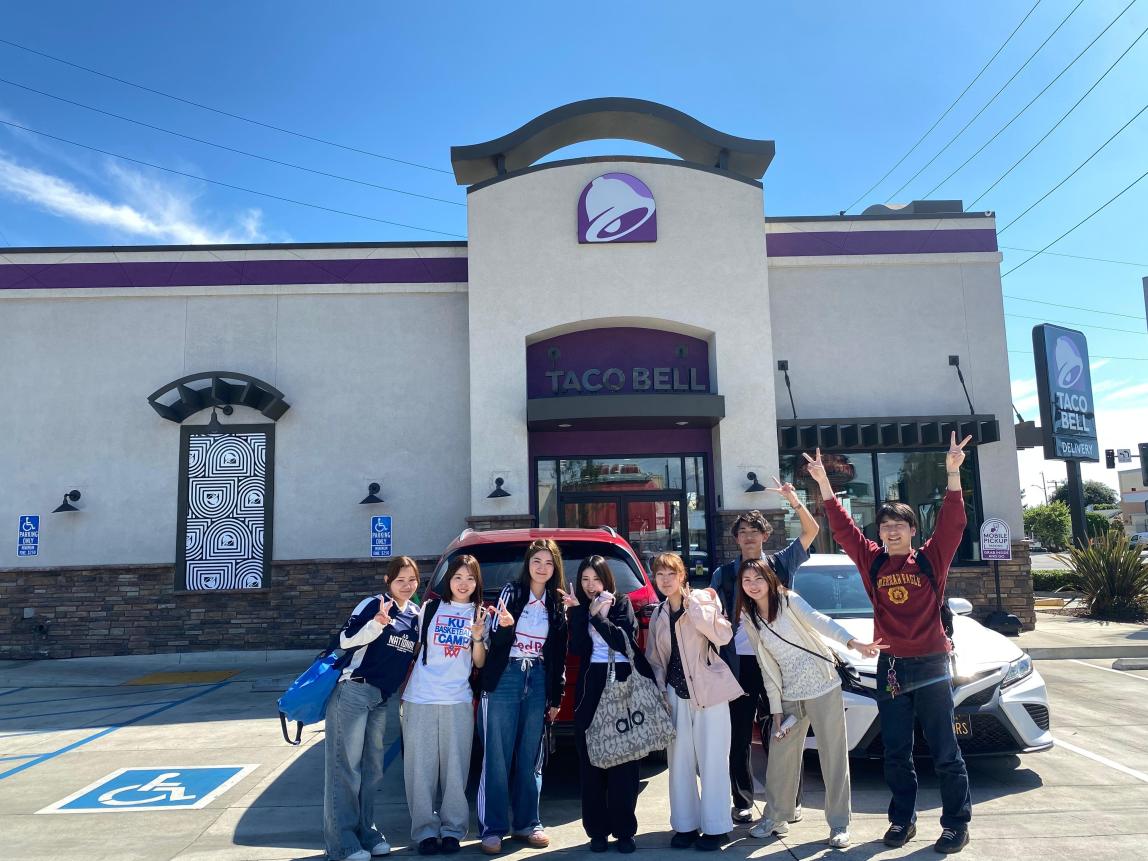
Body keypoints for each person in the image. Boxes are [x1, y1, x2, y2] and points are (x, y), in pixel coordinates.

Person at [804, 434, 973, 854]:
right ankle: (902, 820)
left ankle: (955, 824)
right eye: (885, 525)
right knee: (897, 752)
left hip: (932, 664)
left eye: (899, 525)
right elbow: (841, 527)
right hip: (892, 667)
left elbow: (953, 523)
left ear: (913, 531)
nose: (891, 530)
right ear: (878, 532)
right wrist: (824, 483)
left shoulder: (931, 559)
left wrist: (953, 472)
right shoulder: (872, 559)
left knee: (945, 751)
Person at [738, 555, 886, 849]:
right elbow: (767, 667)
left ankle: (839, 823)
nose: (753, 585)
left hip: (822, 686)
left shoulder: (788, 601)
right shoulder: (749, 617)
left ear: (769, 579)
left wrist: (853, 643)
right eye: (747, 580)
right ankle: (777, 816)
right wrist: (776, 709)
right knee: (781, 756)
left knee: (833, 754)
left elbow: (821, 622)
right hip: (790, 695)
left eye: (758, 578)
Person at [709, 487, 818, 824]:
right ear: (736, 539)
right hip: (738, 664)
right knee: (739, 735)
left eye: (754, 531)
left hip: (779, 663)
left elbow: (812, 531)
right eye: (742, 533)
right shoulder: (725, 574)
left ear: (765, 535)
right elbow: (710, 613)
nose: (748, 537)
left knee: (783, 732)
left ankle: (789, 801)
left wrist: (794, 499)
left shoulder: (780, 564)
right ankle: (742, 800)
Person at [324, 556, 421, 861]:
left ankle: (368, 830)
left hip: (381, 698)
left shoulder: (416, 615)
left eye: (412, 580)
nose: (406, 586)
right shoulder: (373, 604)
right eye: (400, 580)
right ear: (388, 581)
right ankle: (343, 842)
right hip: (353, 691)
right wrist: (376, 625)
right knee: (346, 770)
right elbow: (343, 640)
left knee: (372, 770)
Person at [476, 539, 569, 855]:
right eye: (536, 561)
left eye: (548, 563)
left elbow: (559, 652)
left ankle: (528, 823)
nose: (542, 568)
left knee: (531, 755)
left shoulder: (557, 602)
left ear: (555, 567)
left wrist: (556, 696)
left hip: (538, 677)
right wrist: (505, 628)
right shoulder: (512, 593)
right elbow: (494, 641)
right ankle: (493, 828)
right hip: (506, 676)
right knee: (498, 756)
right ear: (527, 564)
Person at [645, 552, 743, 852]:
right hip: (675, 695)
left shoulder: (701, 600)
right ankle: (685, 825)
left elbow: (724, 635)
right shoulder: (658, 614)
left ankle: (716, 828)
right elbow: (655, 659)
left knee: (714, 760)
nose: (665, 579)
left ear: (682, 576)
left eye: (670, 573)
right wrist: (660, 691)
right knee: (679, 762)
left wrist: (697, 609)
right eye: (659, 574)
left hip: (709, 692)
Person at [563, 555, 657, 854]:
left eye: (596, 579)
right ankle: (597, 832)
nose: (591, 586)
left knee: (625, 760)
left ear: (607, 580)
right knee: (590, 760)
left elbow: (623, 642)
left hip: (622, 683)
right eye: (585, 580)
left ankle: (625, 830)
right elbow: (577, 648)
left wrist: (597, 617)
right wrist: (578, 614)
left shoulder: (621, 603)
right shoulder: (579, 605)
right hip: (591, 685)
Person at [401, 554, 488, 855]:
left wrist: (477, 638)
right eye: (458, 577)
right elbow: (411, 647)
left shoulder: (480, 614)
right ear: (448, 579)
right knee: (420, 769)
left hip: (458, 699)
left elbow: (479, 662)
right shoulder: (430, 607)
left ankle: (452, 830)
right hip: (420, 697)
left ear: (477, 582)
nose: (463, 583)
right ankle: (425, 831)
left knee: (456, 769)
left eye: (470, 578)